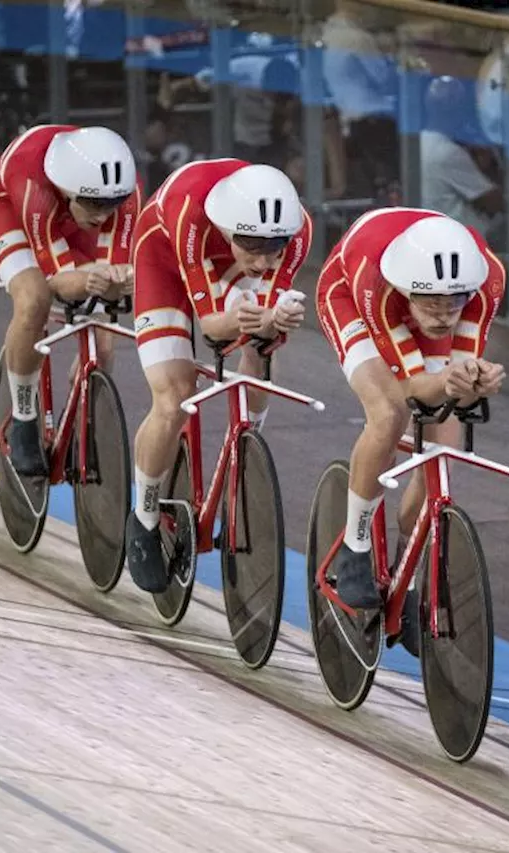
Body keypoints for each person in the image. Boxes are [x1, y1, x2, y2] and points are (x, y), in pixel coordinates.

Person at [313, 208, 506, 649]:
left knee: (445, 446)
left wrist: (479, 381)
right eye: (432, 305)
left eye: (452, 304)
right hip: (351, 297)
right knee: (388, 413)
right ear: (409, 290)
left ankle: (407, 571)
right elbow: (411, 388)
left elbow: (461, 374)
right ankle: (356, 546)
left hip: (414, 294)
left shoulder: (486, 278)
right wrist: (450, 382)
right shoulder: (379, 286)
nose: (442, 316)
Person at [125, 159, 312, 593]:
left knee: (262, 347)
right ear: (228, 230)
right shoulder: (190, 210)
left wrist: (276, 318)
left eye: (275, 248)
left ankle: (247, 444)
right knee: (173, 399)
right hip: (165, 261)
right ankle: (145, 516)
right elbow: (211, 326)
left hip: (224, 269)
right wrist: (251, 318)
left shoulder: (298, 229)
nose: (265, 259)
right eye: (252, 245)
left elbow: (266, 313)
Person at [0, 125, 144, 477]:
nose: (102, 214)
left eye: (110, 205)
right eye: (94, 204)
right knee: (34, 300)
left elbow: (117, 271)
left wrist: (117, 281)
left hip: (70, 222)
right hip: (13, 213)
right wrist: (92, 280)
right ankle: (24, 417)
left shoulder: (124, 192)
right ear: (69, 190)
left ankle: (81, 420)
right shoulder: (33, 187)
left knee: (104, 343)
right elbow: (60, 283)